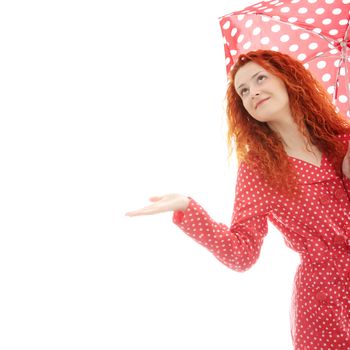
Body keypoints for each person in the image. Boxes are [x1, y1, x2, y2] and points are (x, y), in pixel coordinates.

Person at [125, 49, 350, 349]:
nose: (253, 92)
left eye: (260, 78)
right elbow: (241, 254)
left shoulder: (342, 141)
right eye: (243, 90)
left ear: (288, 79)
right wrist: (188, 209)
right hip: (323, 301)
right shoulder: (258, 168)